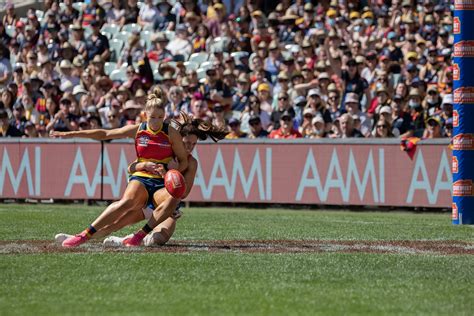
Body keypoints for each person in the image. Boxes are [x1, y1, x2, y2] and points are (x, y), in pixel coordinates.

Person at [55, 112, 228, 246]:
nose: (189, 147)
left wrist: (169, 174)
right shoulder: (164, 149)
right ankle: (79, 237)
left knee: (157, 240)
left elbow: (184, 192)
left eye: (193, 144)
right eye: (185, 143)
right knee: (115, 223)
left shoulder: (191, 163)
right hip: (147, 197)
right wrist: (143, 166)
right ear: (177, 140)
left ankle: (129, 239)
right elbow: (131, 167)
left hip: (165, 206)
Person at [52, 92, 189, 247]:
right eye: (152, 117)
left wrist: (172, 170)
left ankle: (139, 236)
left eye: (160, 117)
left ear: (164, 115)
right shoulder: (138, 130)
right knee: (127, 202)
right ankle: (85, 234)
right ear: (145, 115)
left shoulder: (171, 133)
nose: (156, 121)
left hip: (162, 182)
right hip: (142, 177)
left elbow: (184, 161)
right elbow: (106, 133)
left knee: (173, 199)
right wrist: (70, 134)